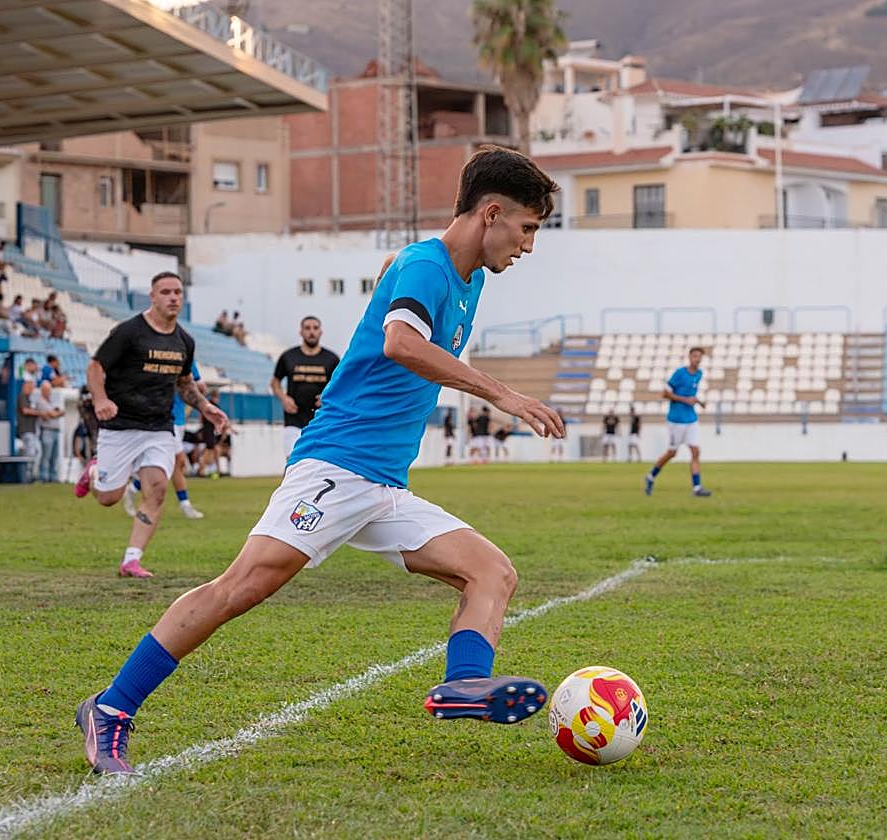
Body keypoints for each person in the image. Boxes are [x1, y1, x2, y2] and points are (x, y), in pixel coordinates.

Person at [74, 145, 563, 775]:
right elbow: (400, 342)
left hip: (383, 484)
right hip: (336, 466)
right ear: (492, 213)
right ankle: (111, 709)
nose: (527, 246)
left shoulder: (458, 278)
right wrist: (503, 394)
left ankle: (465, 683)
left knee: (492, 573)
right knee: (239, 589)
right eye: (527, 229)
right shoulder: (428, 265)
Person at [73, 271, 228, 578]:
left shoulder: (185, 340)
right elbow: (95, 366)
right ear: (153, 296)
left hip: (159, 427)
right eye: (166, 292)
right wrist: (101, 399)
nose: (173, 298)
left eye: (178, 292)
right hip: (120, 426)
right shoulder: (129, 332)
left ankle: (131, 559)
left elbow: (184, 383)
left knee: (156, 489)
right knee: (108, 498)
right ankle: (94, 470)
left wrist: (205, 406)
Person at [124, 361, 206, 519]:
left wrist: (199, 391)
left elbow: (197, 383)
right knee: (179, 461)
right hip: (164, 418)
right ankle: (184, 505)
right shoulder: (158, 354)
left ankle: (134, 488)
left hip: (179, 418)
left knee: (172, 466)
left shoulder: (186, 354)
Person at [644, 347, 712, 497]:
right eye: (695, 356)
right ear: (689, 357)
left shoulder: (699, 374)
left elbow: (691, 395)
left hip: (691, 419)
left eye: (699, 357)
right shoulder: (680, 374)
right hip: (676, 420)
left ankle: (697, 487)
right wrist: (685, 400)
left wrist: (699, 402)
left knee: (695, 451)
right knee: (671, 453)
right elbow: (665, 393)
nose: (697, 359)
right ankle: (651, 476)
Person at [271, 316, 341, 458]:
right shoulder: (288, 356)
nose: (311, 332)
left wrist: (327, 397)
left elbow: (341, 385)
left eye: (315, 328)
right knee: (292, 460)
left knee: (319, 461)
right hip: (294, 418)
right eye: (307, 328)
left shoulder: (331, 359)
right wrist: (284, 398)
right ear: (301, 332)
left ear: (320, 332)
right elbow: (275, 382)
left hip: (321, 419)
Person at [32, 381, 65, 482]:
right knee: (46, 456)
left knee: (54, 457)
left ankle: (53, 477)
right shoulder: (40, 402)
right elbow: (53, 414)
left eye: (49, 390)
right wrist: (55, 413)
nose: (49, 392)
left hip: (55, 431)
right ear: (42, 391)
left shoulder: (51, 401)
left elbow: (61, 411)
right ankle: (44, 477)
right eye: (46, 390)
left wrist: (54, 413)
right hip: (47, 431)